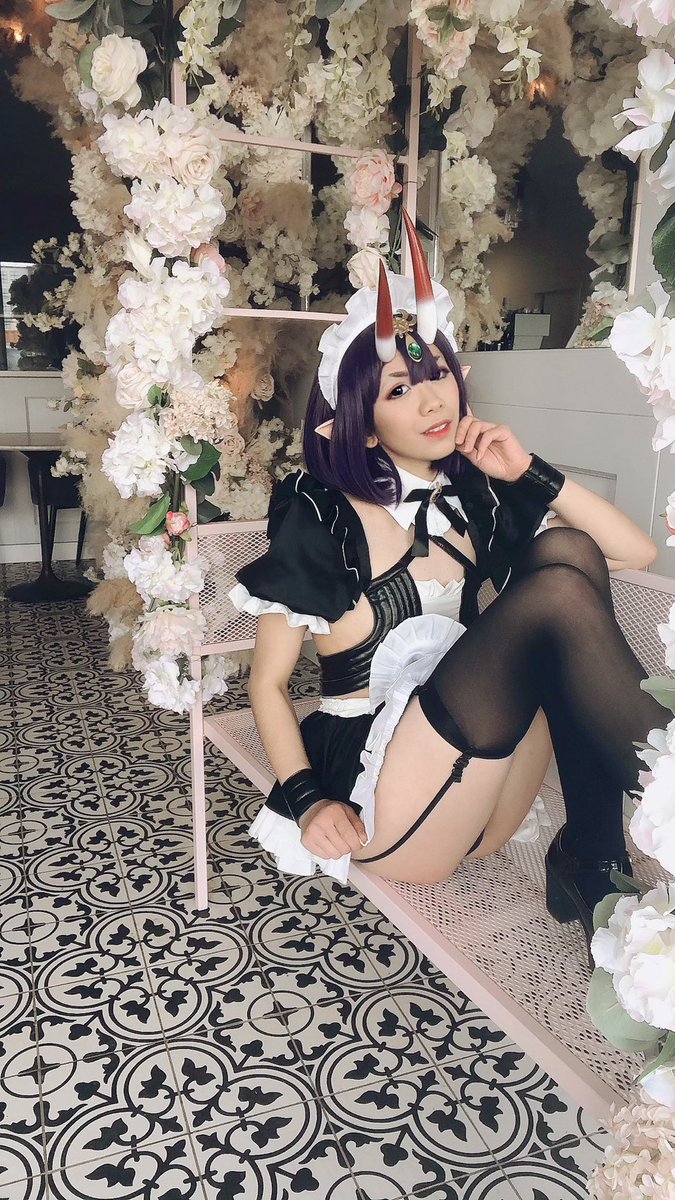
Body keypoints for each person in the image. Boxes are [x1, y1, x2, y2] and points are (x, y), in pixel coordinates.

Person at [228, 211, 662, 956]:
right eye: (400, 390)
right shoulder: (319, 510)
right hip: (386, 804)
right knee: (554, 590)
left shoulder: (474, 493)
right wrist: (306, 802)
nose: (434, 400)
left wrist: (526, 470)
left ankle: (594, 847)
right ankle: (624, 821)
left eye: (438, 377)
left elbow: (634, 551)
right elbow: (267, 683)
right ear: (363, 423)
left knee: (567, 555)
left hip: (480, 797)